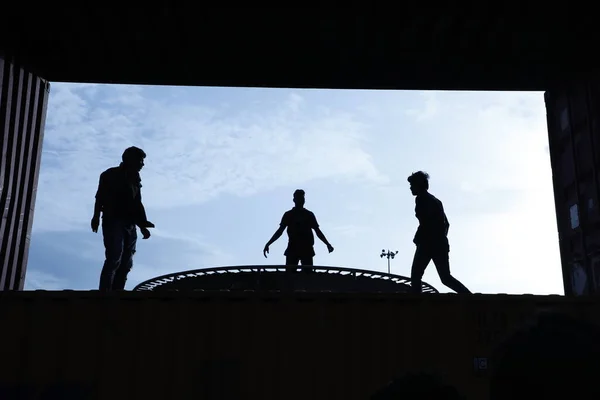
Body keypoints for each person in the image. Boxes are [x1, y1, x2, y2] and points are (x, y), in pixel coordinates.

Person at [91, 146, 155, 291]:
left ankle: (118, 291)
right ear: (130, 160)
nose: (142, 164)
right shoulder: (110, 174)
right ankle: (105, 292)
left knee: (127, 263)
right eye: (140, 160)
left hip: (130, 224)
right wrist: (95, 216)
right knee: (114, 257)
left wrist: (142, 226)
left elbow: (137, 203)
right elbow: (99, 197)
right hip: (113, 221)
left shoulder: (135, 179)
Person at [407, 171, 470, 294]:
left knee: (416, 275)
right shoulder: (435, 200)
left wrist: (420, 238)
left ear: (418, 185)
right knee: (446, 277)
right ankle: (468, 296)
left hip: (428, 243)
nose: (410, 188)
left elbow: (426, 222)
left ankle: (416, 304)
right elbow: (446, 224)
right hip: (439, 243)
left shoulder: (422, 200)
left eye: (412, 185)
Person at [263, 189, 334, 272]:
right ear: (294, 200)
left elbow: (317, 231)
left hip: (307, 248)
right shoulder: (289, 215)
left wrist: (327, 244)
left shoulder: (309, 214)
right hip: (293, 248)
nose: (301, 200)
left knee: (308, 276)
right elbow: (280, 231)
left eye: (302, 198)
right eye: (299, 198)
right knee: (290, 276)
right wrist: (269, 243)